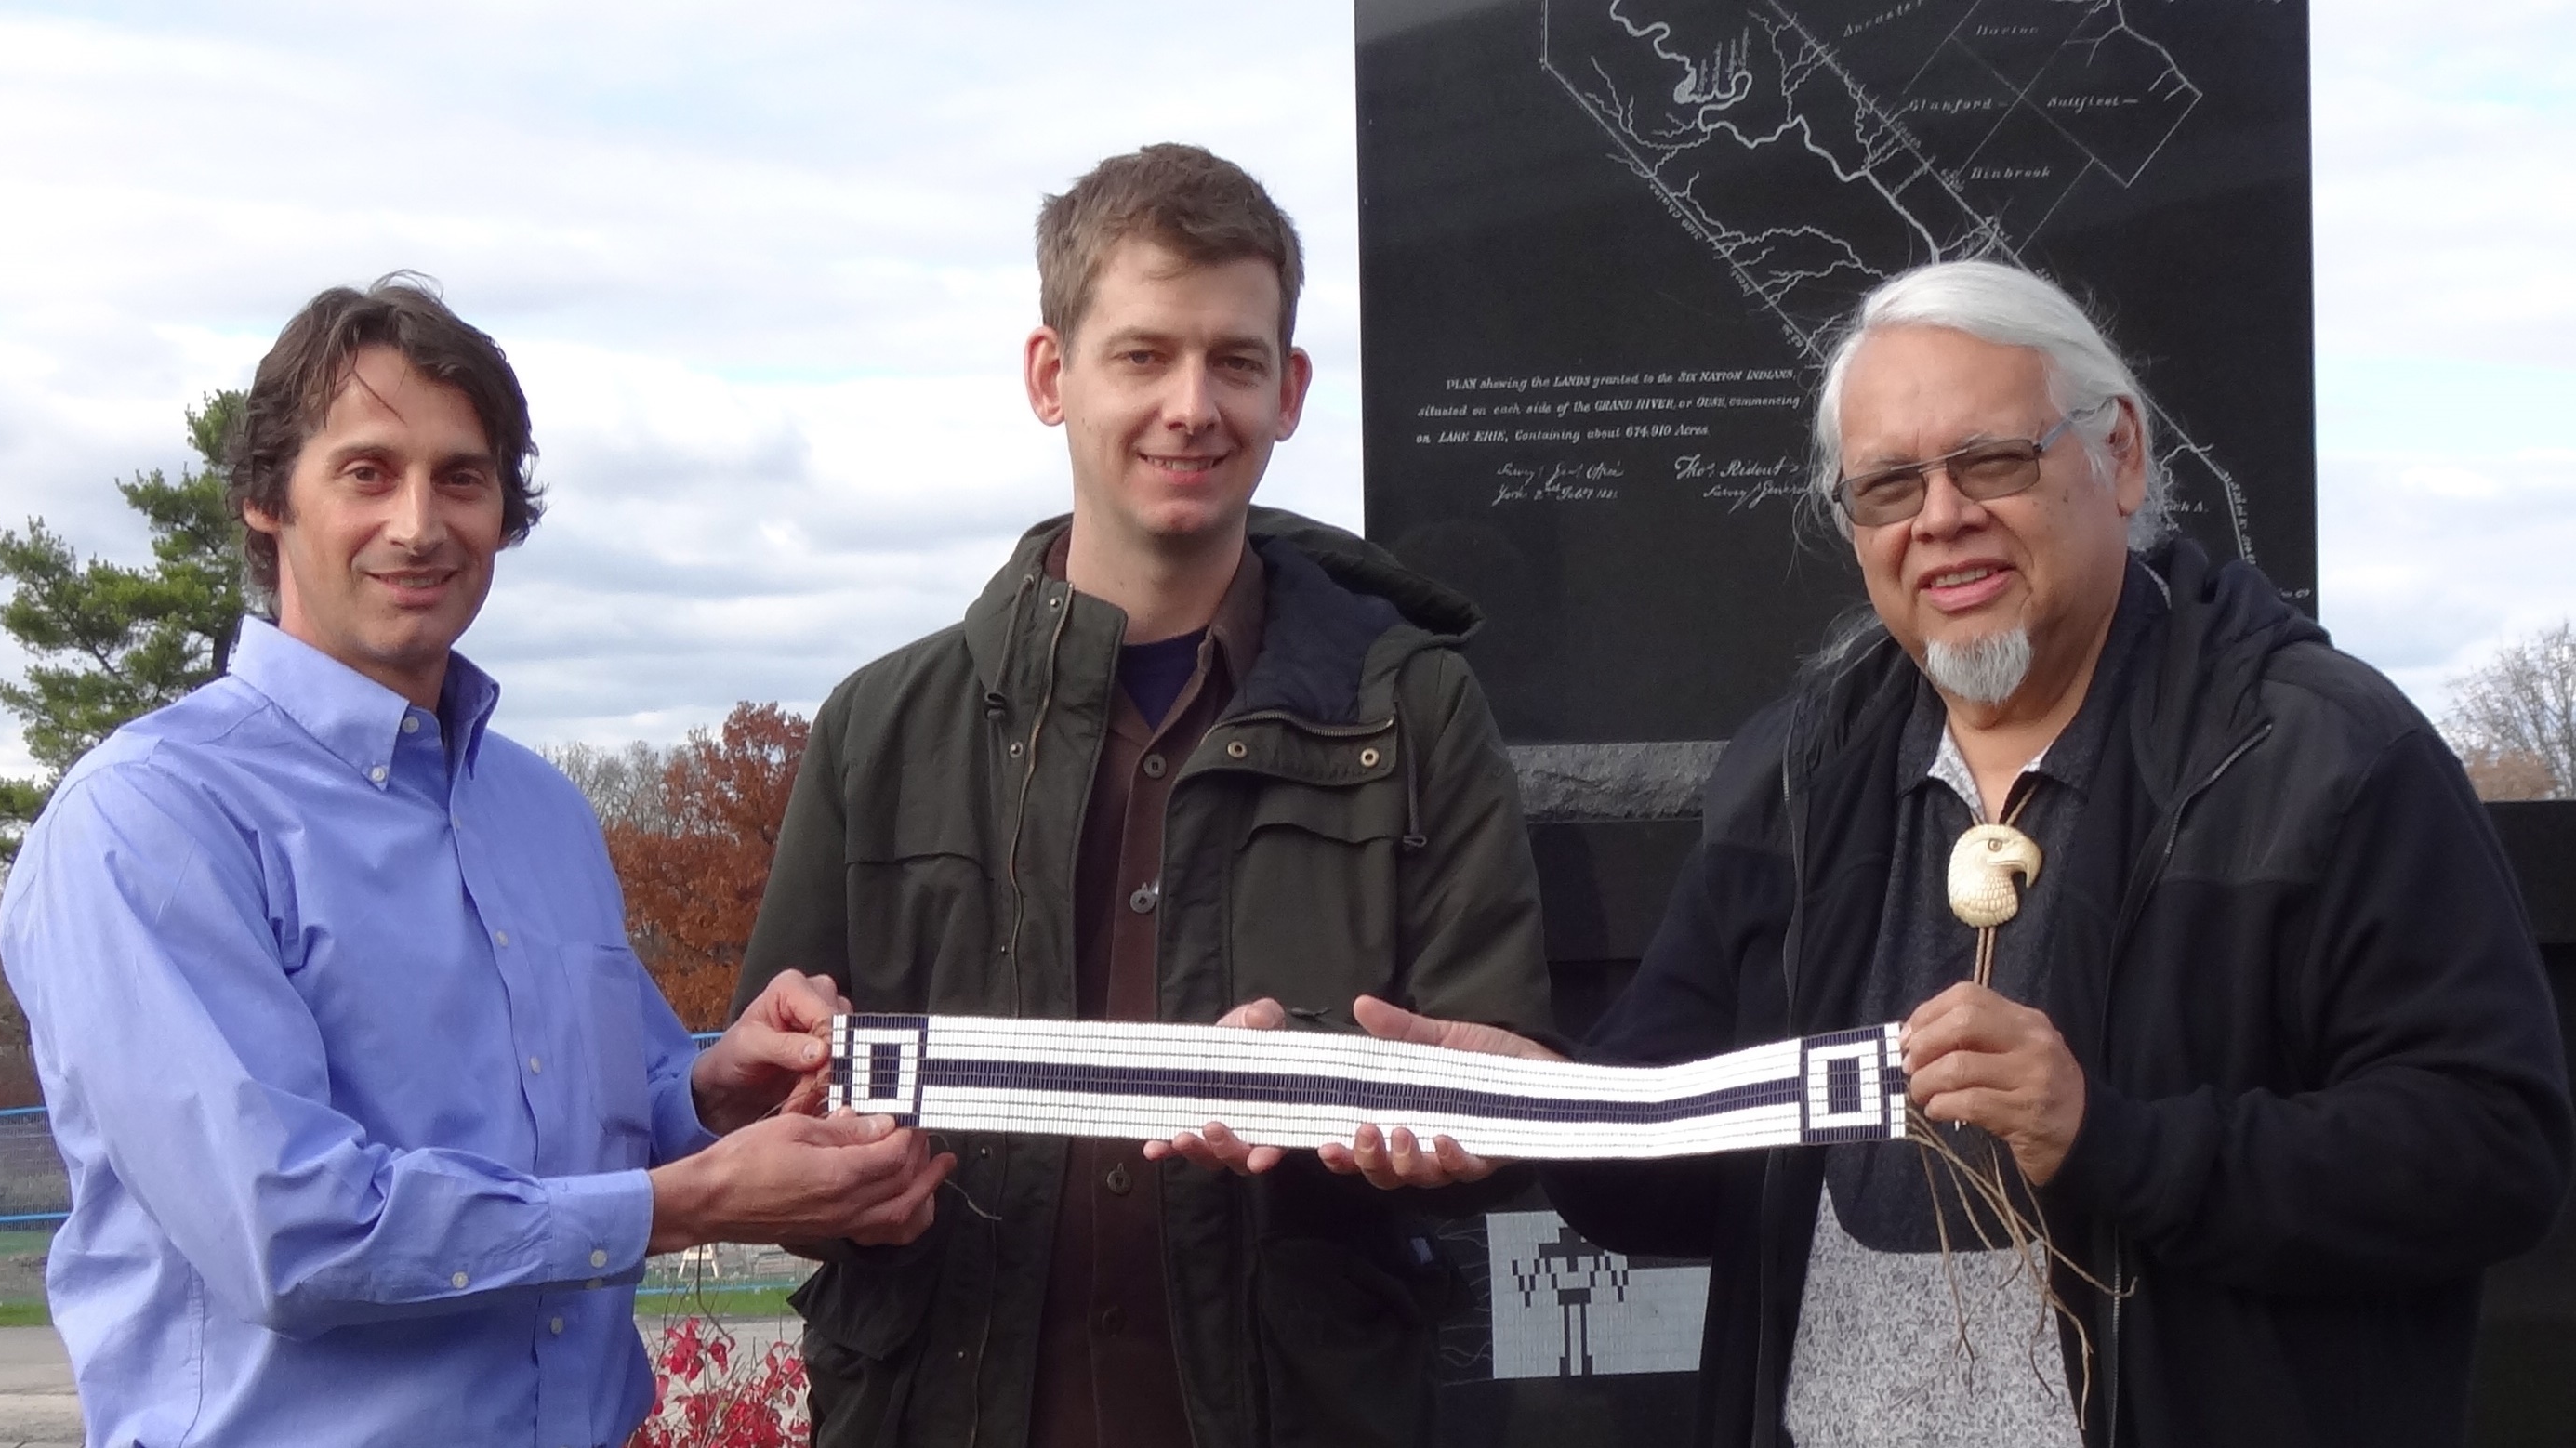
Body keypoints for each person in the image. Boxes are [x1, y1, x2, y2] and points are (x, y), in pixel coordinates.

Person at [1311, 259, 2573, 1447]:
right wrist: (1550, 1114)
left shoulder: (2320, 759)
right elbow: (1678, 1176)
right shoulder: (1792, 777)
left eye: (1991, 460)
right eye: (1889, 486)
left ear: (2118, 455)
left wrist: (2113, 1140)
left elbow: (2491, 1151)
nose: (1942, 520)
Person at [0, 277, 953, 1448]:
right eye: (366, 472)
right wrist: (688, 1200)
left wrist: (713, 1092)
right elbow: (291, 1232)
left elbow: (601, 1118)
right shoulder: (147, 820)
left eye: (462, 476)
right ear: (264, 501)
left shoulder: (538, 811)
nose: (419, 522)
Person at [732, 143, 1551, 1448]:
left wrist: (1375, 1099)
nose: (1191, 404)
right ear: (1050, 378)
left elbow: (1509, 1102)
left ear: (1288, 393)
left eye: (1233, 360)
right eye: (1142, 354)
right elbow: (763, 1125)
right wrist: (816, 1164)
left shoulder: (1416, 714)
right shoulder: (878, 730)